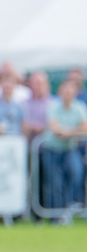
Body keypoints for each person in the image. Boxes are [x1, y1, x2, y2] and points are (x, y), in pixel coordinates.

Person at [40, 79, 87, 210]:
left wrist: (69, 131)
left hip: (69, 147)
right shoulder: (53, 106)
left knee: (76, 173)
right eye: (65, 90)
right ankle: (56, 214)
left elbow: (85, 127)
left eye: (71, 90)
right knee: (54, 182)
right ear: (60, 91)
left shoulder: (80, 107)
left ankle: (66, 207)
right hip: (51, 148)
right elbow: (55, 129)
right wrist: (73, 130)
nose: (68, 93)